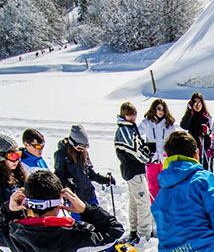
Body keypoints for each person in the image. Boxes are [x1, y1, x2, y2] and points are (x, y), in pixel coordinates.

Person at [54, 125, 115, 221]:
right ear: (72, 143)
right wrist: (68, 185)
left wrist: (104, 179)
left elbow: (90, 173)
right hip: (75, 198)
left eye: (84, 147)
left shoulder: (84, 154)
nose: (82, 150)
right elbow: (59, 176)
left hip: (89, 194)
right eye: (79, 147)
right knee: (82, 226)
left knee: (97, 220)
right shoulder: (61, 155)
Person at [114, 102, 153, 244]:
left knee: (134, 202)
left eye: (134, 114)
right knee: (143, 203)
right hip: (133, 170)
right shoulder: (125, 130)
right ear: (124, 115)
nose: (133, 117)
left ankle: (134, 229)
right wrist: (147, 157)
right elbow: (135, 151)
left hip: (131, 170)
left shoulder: (128, 128)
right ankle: (143, 234)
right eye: (130, 114)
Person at [0, 133, 27, 252]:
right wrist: (9, 208)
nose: (17, 160)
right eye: (12, 156)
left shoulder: (18, 175)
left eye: (18, 155)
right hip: (8, 233)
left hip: (25, 227)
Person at [138, 99, 176, 202]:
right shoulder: (147, 122)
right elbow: (137, 134)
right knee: (153, 186)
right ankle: (155, 207)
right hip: (153, 159)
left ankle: (166, 207)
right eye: (158, 108)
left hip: (165, 159)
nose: (161, 111)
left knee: (167, 184)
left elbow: (173, 139)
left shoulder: (168, 123)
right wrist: (143, 147)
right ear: (154, 109)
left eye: (163, 109)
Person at [180, 92, 212, 169]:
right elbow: (184, 126)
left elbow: (211, 132)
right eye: (195, 103)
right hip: (192, 148)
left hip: (204, 148)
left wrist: (207, 131)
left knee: (205, 169)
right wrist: (189, 112)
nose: (197, 105)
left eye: (199, 103)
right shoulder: (190, 116)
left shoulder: (206, 117)